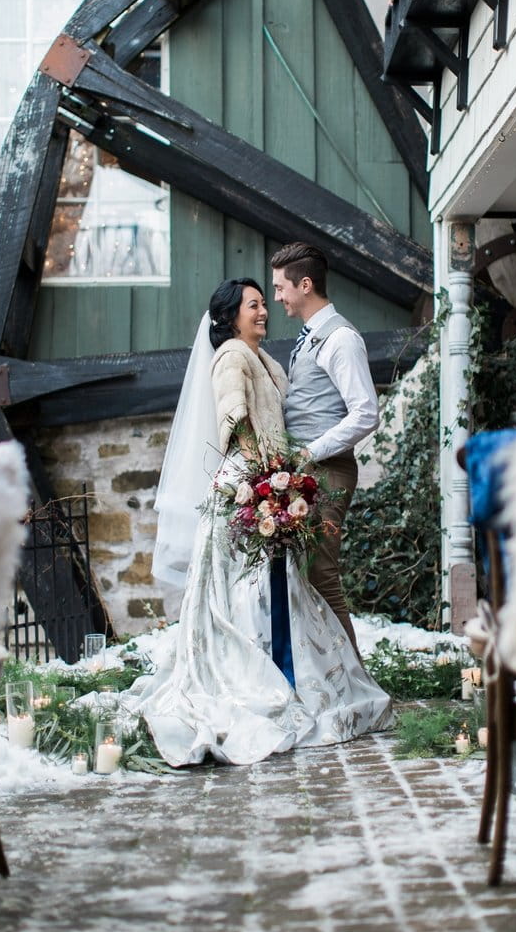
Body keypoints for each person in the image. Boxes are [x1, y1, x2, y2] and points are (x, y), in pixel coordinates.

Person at [131, 277, 392, 767]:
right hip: (247, 485)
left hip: (274, 479)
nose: (264, 311)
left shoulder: (267, 359)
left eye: (264, 303)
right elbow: (236, 419)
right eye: (254, 305)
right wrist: (265, 482)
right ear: (232, 317)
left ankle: (292, 671)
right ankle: (262, 675)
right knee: (247, 589)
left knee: (279, 584)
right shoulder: (232, 356)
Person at [270, 243, 379, 660]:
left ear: (306, 284)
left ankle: (354, 681)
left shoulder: (342, 339)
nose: (277, 297)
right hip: (307, 473)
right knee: (306, 574)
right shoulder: (313, 335)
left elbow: (367, 413)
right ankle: (323, 673)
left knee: (321, 573)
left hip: (328, 472)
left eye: (281, 287)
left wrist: (309, 452)